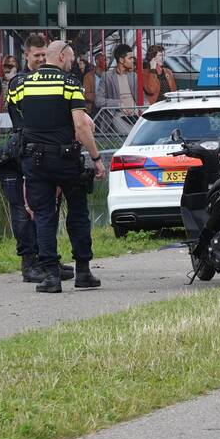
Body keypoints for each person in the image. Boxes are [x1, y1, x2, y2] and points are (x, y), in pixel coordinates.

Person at [8, 40, 107, 293]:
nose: (73, 63)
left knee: (43, 215)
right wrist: (96, 159)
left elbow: (18, 121)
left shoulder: (20, 85)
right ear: (62, 56)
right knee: (77, 213)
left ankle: (51, 275)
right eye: (71, 58)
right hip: (65, 159)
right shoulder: (69, 83)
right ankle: (83, 272)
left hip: (33, 161)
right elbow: (82, 126)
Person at [98, 44, 139, 134]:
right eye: (130, 58)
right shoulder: (107, 76)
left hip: (136, 115)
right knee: (130, 135)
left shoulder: (133, 76)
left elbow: (142, 98)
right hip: (118, 115)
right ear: (121, 60)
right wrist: (119, 104)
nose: (133, 61)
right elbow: (98, 101)